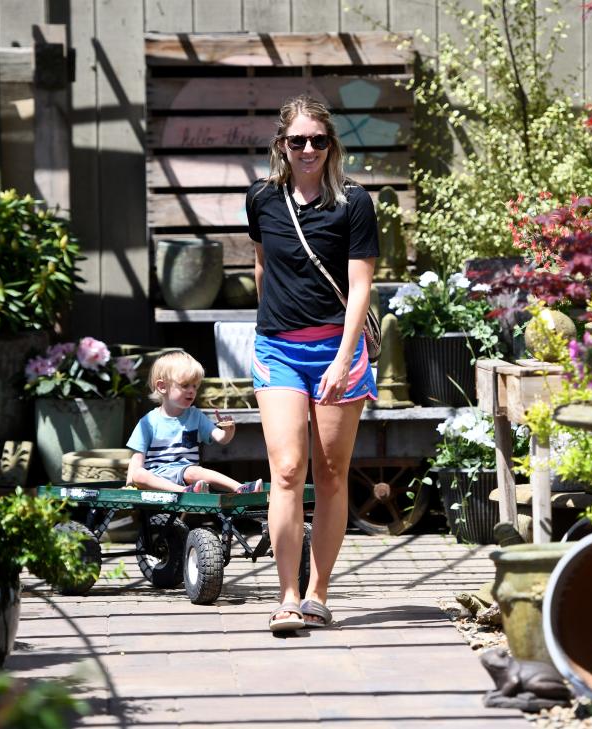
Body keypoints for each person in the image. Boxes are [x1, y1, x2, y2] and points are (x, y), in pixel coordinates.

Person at [246, 95, 379, 632]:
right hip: (278, 348)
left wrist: (344, 358)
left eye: (318, 141)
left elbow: (361, 286)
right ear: (282, 145)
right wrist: (270, 321)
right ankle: (286, 595)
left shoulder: (353, 203)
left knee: (329, 474)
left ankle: (319, 593)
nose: (307, 149)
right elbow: (261, 265)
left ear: (331, 146)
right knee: (285, 469)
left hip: (335, 351)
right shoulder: (261, 200)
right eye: (297, 140)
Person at [125, 351, 263, 494]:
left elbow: (221, 439)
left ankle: (240, 488)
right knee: (139, 474)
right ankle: (184, 491)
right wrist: (129, 485)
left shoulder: (196, 415)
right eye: (185, 385)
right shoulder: (148, 421)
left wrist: (228, 431)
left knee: (195, 471)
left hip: (186, 473)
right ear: (162, 387)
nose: (191, 391)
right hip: (157, 478)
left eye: (195, 386)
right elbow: (137, 458)